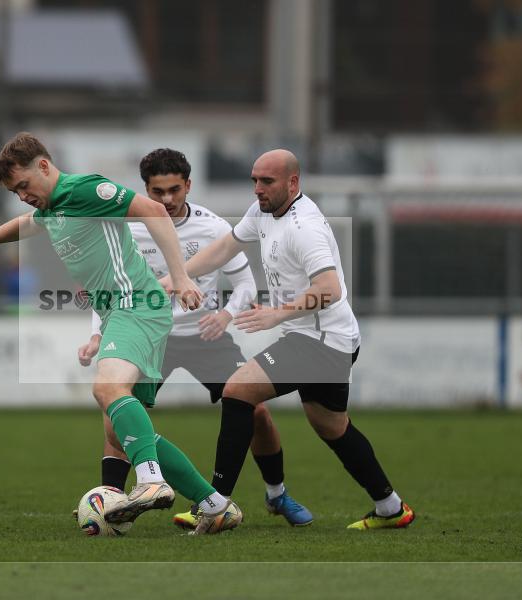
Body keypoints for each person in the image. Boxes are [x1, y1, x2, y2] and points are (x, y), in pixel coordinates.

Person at [0, 132, 241, 535]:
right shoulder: (53, 207)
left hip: (136, 306)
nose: (22, 195)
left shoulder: (84, 189)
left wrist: (180, 276)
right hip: (124, 314)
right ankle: (215, 505)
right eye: (14, 191)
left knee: (107, 390)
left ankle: (152, 482)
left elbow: (154, 211)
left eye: (23, 185)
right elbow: (25, 224)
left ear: (44, 167)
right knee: (120, 431)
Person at [161, 149, 415, 530]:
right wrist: (177, 277)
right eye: (254, 180)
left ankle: (214, 505)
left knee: (236, 391)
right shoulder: (262, 211)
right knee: (332, 426)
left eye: (267, 181)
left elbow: (329, 289)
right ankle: (391, 508)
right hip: (326, 337)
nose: (258, 189)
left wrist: (276, 314)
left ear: (293, 183)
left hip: (322, 340)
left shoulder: (304, 227)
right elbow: (225, 248)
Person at [78, 148, 313, 529]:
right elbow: (111, 289)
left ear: (188, 185)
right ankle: (113, 500)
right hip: (151, 335)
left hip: (206, 336)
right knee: (117, 416)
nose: (167, 199)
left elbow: (244, 285)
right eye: (157, 192)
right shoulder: (130, 228)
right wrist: (96, 334)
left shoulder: (213, 227)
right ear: (145, 190)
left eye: (174, 189)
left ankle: (277, 494)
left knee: (256, 411)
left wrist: (225, 315)